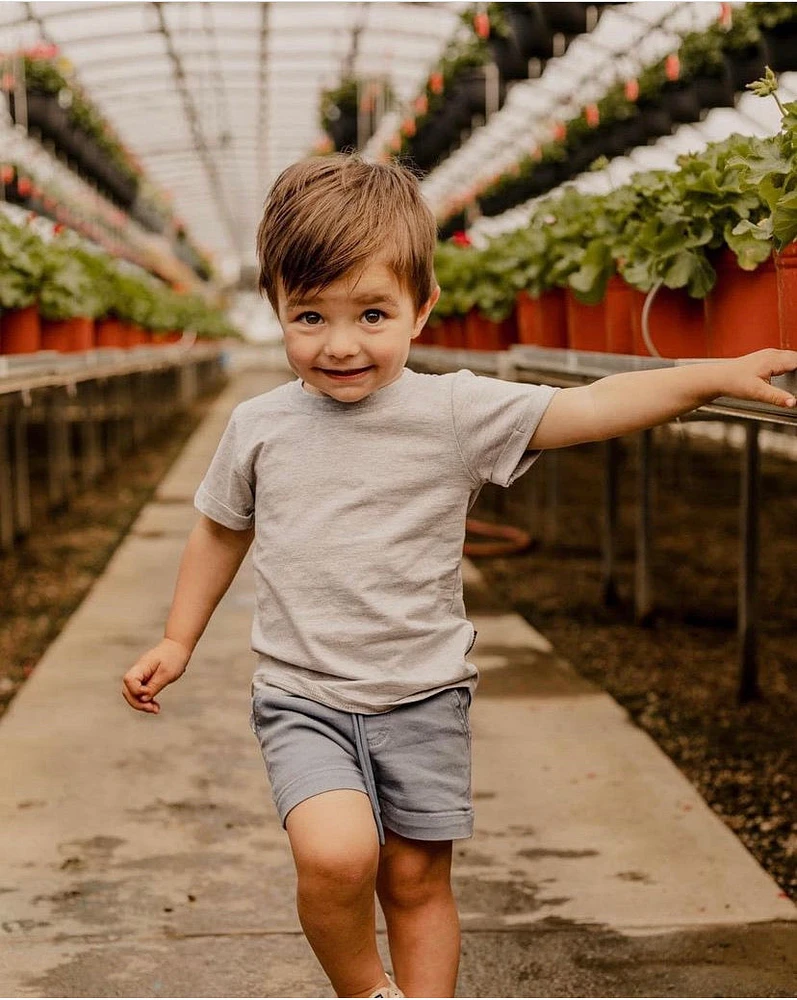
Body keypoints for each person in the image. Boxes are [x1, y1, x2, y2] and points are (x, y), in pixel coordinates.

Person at [122, 152, 797, 999]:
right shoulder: (259, 426)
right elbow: (221, 529)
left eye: (372, 313)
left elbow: (583, 409)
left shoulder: (452, 410)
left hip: (425, 694)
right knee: (335, 854)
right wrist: (178, 638)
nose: (339, 345)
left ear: (421, 309)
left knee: (415, 881)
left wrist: (707, 375)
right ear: (275, 310)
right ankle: (368, 992)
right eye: (309, 316)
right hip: (304, 695)